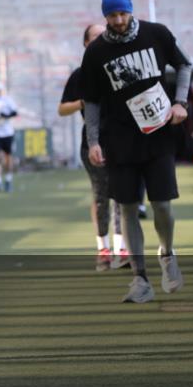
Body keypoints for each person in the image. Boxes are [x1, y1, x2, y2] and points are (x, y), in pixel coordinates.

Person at [81, 0, 192, 303]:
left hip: (158, 135)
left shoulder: (156, 34)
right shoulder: (96, 52)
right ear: (105, 15)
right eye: (111, 15)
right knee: (127, 207)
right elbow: (91, 101)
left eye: (122, 13)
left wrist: (180, 102)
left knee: (162, 206)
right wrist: (93, 141)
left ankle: (167, 254)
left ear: (131, 10)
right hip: (119, 139)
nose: (117, 20)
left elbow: (184, 64)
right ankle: (140, 278)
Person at [59, 24, 130, 271]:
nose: (103, 39)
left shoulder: (121, 69)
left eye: (106, 35)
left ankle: (123, 247)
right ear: (86, 44)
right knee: (101, 195)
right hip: (92, 142)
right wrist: (84, 101)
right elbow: (62, 108)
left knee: (122, 194)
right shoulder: (80, 75)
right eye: (97, 36)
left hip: (121, 141)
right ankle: (103, 248)